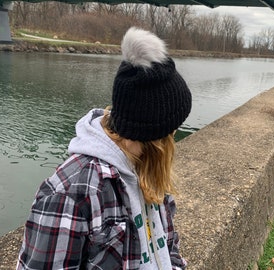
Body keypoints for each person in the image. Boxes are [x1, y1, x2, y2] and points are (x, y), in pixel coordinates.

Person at [16, 27, 192, 270]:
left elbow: (169, 248)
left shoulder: (150, 173)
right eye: (173, 129)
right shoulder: (69, 193)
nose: (175, 136)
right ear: (156, 136)